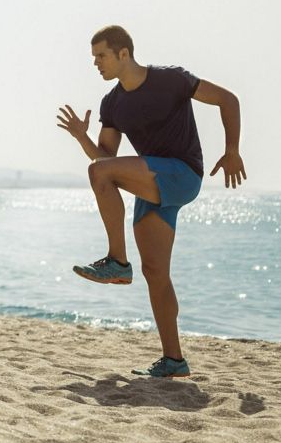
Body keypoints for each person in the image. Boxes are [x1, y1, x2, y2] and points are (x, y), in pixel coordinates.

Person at [57, 24, 246, 378]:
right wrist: (82, 138)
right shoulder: (112, 103)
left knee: (101, 176)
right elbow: (103, 159)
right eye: (94, 57)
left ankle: (117, 260)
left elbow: (228, 99)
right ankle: (174, 361)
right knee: (155, 272)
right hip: (153, 184)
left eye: (101, 56)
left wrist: (232, 150)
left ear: (123, 53)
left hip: (182, 174)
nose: (96, 63)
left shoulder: (171, 80)